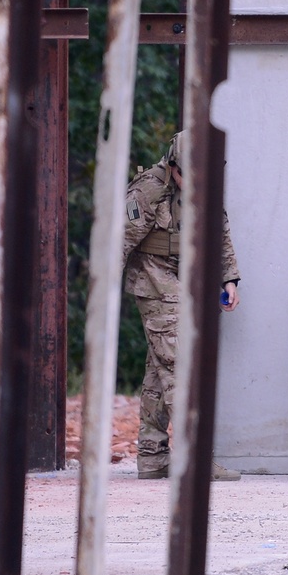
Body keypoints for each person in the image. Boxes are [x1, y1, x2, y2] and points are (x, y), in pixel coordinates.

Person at [123, 130, 241, 480]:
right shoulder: (147, 190)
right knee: (182, 363)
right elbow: (119, 242)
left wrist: (228, 278)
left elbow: (220, 234)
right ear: (173, 166)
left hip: (188, 282)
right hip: (155, 282)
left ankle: (153, 457)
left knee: (161, 369)